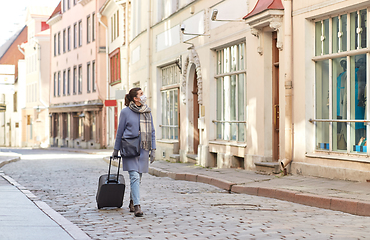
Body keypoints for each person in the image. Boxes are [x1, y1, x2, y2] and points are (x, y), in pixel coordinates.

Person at [112, 87, 156, 217]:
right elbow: (120, 131)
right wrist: (116, 149)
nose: (144, 96)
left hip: (143, 148)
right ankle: (137, 206)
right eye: (141, 94)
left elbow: (152, 132)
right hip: (130, 148)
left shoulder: (147, 112)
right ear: (135, 98)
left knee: (139, 178)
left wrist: (153, 149)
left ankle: (132, 201)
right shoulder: (125, 112)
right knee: (134, 177)